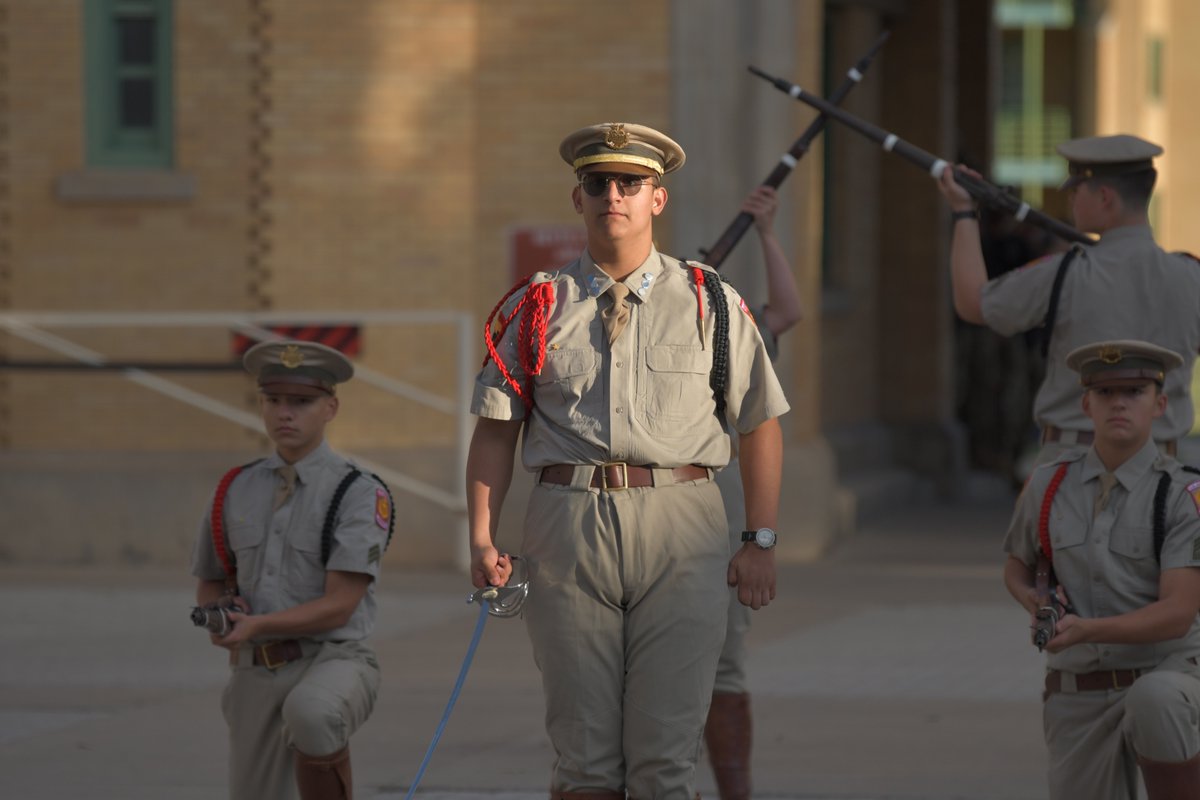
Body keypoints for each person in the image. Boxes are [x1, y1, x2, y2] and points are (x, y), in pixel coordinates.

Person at [467, 122, 789, 800]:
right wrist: (481, 537)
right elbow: (497, 429)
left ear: (657, 200)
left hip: (682, 525)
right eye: (597, 183)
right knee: (584, 762)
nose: (613, 194)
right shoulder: (538, 306)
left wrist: (759, 539)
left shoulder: (710, 301)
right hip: (567, 525)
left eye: (630, 183)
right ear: (577, 199)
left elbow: (759, 422)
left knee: (663, 765)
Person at [191, 340, 393, 800]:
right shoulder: (234, 487)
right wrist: (219, 615)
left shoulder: (358, 491)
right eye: (274, 401)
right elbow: (210, 577)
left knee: (314, 712)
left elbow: (341, 605)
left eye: (301, 402)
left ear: (331, 408)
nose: (285, 413)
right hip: (254, 669)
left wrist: (257, 623)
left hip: (334, 658)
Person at [1003, 339, 1200, 799]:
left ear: (1161, 404)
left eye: (1134, 392)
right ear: (1086, 403)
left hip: (1168, 673)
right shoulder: (1048, 483)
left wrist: (1088, 628)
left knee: (1156, 701)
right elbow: (1016, 564)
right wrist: (1031, 597)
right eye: (1107, 392)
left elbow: (1178, 613)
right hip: (1079, 689)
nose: (1120, 404)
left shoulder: (1182, 494)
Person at [937, 134, 1200, 467]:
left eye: (1076, 191)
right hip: (1163, 475)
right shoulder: (1192, 276)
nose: (1070, 201)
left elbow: (973, 304)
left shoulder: (1065, 273)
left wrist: (963, 212)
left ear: (1105, 197)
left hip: (1073, 472)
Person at [705, 184, 803, 800]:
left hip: (718, 504)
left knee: (724, 659)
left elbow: (787, 312)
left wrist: (767, 232)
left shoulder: (727, 324)